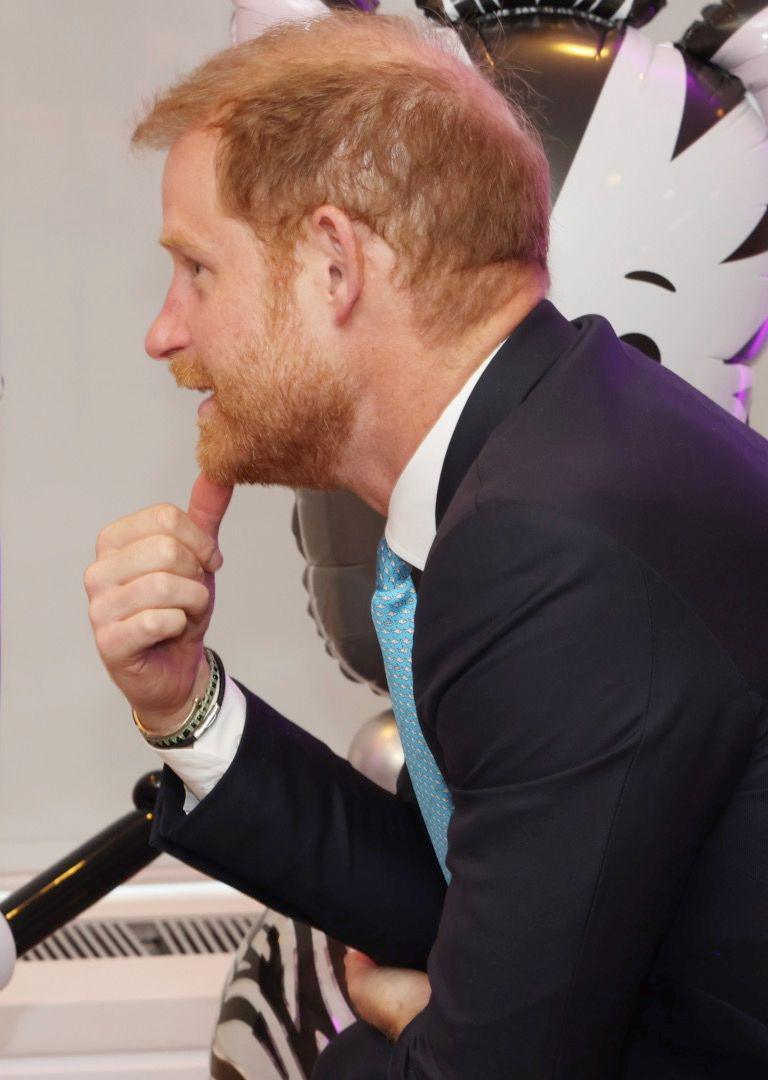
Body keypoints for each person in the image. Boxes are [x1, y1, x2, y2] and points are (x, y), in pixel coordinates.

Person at [83, 15, 768, 1077]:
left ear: (332, 263)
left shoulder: (549, 544)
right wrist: (187, 706)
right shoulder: (553, 440)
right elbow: (473, 888)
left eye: (197, 270)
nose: (165, 331)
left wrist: (400, 1029)